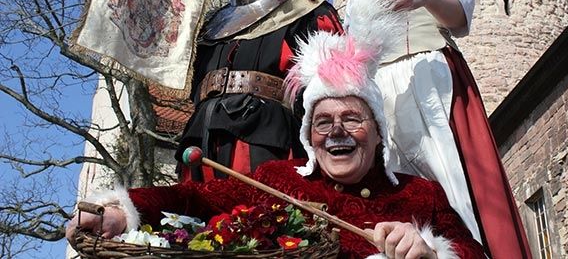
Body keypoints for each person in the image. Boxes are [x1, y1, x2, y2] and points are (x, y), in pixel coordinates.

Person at [66, 27, 485, 259]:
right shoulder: (278, 180)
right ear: (308, 136)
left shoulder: (420, 194)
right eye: (322, 122)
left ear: (377, 132)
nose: (336, 131)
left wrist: (431, 253)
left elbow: (472, 254)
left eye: (352, 119)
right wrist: (124, 209)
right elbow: (194, 199)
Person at [345, 0, 532, 258]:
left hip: (426, 75)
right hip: (383, 92)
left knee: (447, 183)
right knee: (403, 194)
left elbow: (460, 13)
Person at [176, 0, 343, 181]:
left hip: (265, 136)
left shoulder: (306, 9)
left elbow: (337, 86)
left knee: (259, 216)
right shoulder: (212, 22)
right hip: (202, 135)